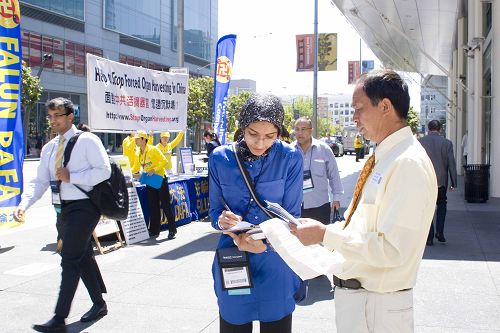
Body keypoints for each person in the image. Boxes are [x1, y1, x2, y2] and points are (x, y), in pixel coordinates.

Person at [290, 69, 438, 333]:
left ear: (385, 107)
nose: (354, 118)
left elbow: (392, 249)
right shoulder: (386, 157)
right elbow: (360, 225)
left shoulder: (407, 164)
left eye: (359, 109)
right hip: (363, 304)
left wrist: (325, 235)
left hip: (378, 307)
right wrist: (317, 233)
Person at [14, 97, 111, 332]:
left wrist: (72, 177)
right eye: (50, 116)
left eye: (58, 115)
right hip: (62, 209)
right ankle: (99, 304)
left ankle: (59, 318)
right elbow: (39, 181)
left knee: (69, 259)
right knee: (82, 256)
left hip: (85, 207)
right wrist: (24, 205)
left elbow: (104, 171)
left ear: (70, 117)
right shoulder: (49, 148)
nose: (53, 120)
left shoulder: (87, 141)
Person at [209, 94, 303, 332]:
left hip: (275, 259)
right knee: (234, 323)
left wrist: (266, 246)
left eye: (270, 136)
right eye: (253, 134)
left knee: (276, 323)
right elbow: (213, 211)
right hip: (233, 255)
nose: (260, 143)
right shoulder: (221, 158)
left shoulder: (290, 157)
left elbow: (292, 217)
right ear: (242, 128)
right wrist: (222, 220)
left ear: (279, 132)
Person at [292, 117, 343, 224]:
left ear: (311, 130)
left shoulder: (324, 149)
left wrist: (336, 198)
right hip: (295, 206)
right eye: (297, 129)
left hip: (320, 206)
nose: (300, 132)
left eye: (304, 129)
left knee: (320, 239)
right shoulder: (289, 150)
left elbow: (334, 175)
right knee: (297, 239)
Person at [132, 130, 176, 239]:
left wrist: (154, 169)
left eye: (137, 139)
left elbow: (164, 161)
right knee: (153, 205)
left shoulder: (153, 149)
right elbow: (136, 167)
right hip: (149, 180)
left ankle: (172, 229)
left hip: (160, 179)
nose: (136, 141)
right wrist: (127, 172)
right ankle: (154, 230)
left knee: (165, 205)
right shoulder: (138, 152)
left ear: (143, 139)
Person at [419, 120, 457, 245]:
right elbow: (451, 164)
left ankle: (429, 237)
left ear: (428, 129)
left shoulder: (420, 142)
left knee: (426, 208)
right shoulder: (447, 143)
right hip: (441, 181)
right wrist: (454, 183)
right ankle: (440, 232)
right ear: (440, 129)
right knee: (442, 204)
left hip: (425, 181)